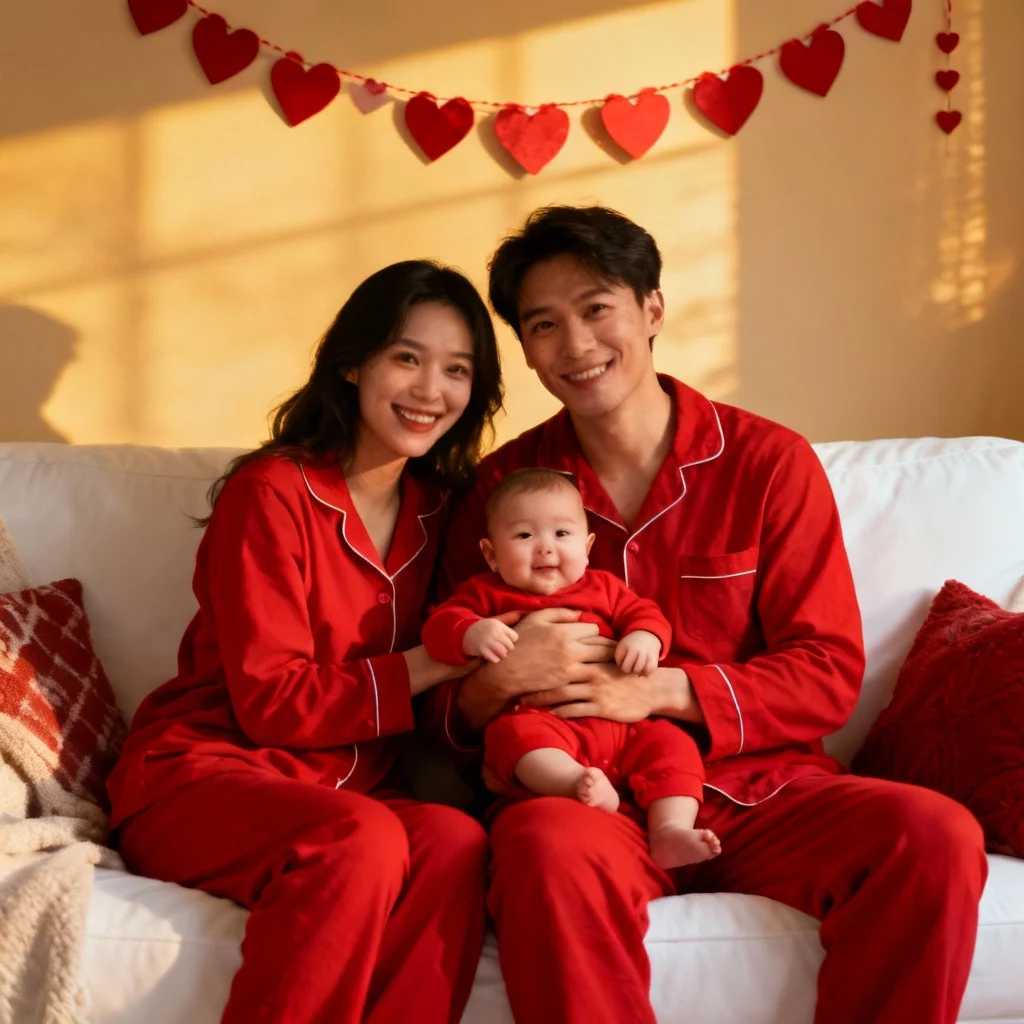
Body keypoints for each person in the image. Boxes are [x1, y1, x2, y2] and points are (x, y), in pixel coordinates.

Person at [426, 206, 988, 1024]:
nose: (576, 345)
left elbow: (828, 671)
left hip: (760, 786)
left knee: (932, 834)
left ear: (652, 311)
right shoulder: (501, 490)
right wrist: (495, 686)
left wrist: (659, 695)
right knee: (545, 850)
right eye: (543, 325)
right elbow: (438, 707)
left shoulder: (769, 463)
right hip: (582, 791)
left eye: (596, 309)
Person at [106, 260, 504, 1024]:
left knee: (453, 842)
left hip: (353, 791)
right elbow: (270, 702)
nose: (431, 391)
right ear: (354, 362)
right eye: (407, 358)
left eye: (457, 370)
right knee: (358, 841)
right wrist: (427, 662)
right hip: (205, 776)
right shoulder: (271, 494)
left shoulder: (446, 514)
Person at [422, 467, 721, 868]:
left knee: (674, 745)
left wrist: (644, 638)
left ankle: (669, 831)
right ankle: (572, 785)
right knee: (511, 736)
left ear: (588, 546)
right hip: (545, 724)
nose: (545, 548)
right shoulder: (485, 594)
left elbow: (646, 614)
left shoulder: (605, 588)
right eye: (524, 536)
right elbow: (439, 626)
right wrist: (471, 632)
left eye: (562, 535)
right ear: (491, 555)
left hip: (625, 727)